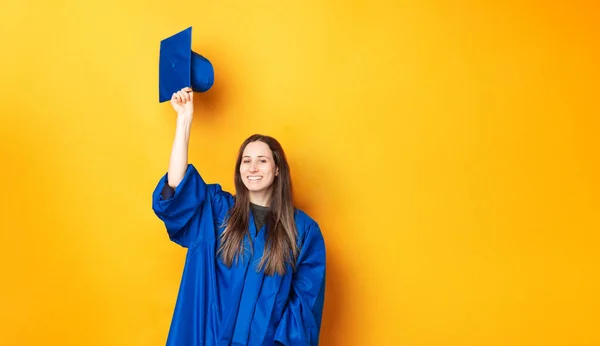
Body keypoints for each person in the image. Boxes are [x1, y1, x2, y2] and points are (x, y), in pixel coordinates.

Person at [152, 87, 327, 345]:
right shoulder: (218, 211)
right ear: (239, 170)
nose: (252, 168)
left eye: (262, 161)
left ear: (278, 169)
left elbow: (302, 315)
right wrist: (184, 119)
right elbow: (177, 189)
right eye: (246, 161)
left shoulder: (302, 231)